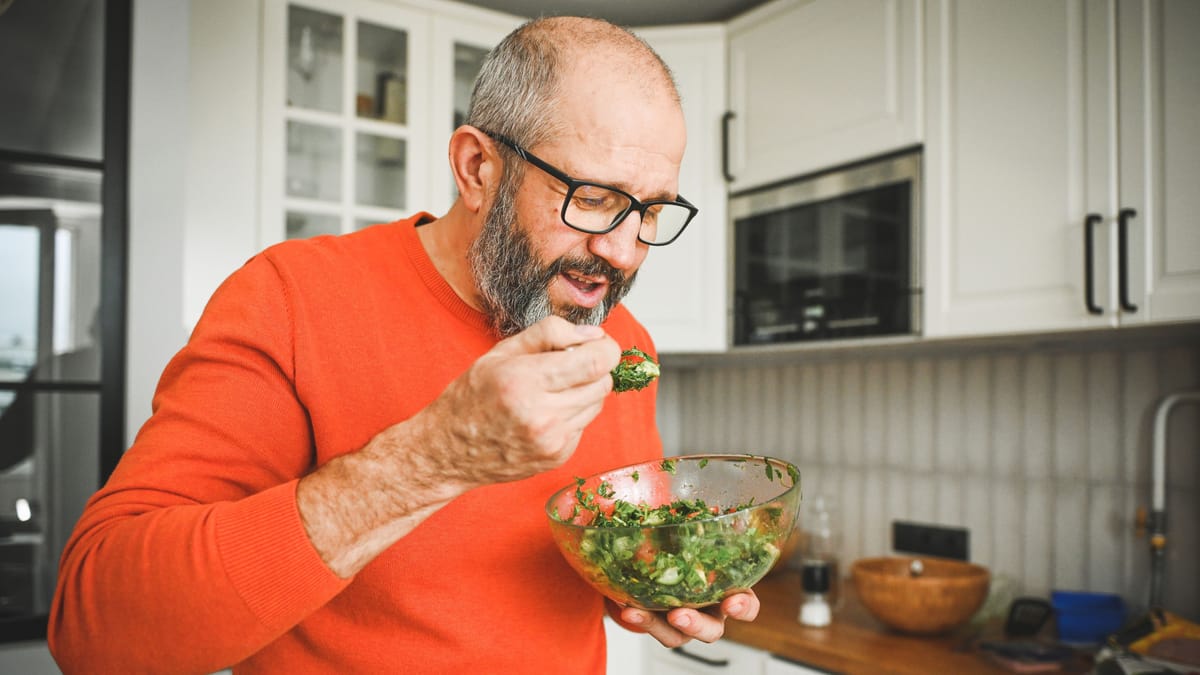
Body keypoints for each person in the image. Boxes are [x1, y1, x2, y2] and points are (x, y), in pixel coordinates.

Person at [48, 16, 759, 674]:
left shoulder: (624, 344)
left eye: (652, 211)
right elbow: (95, 629)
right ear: (478, 168)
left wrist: (658, 581)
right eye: (595, 199)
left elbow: (578, 564)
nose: (623, 251)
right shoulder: (289, 298)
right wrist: (432, 459)